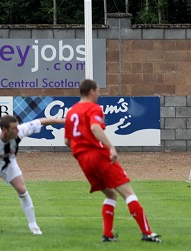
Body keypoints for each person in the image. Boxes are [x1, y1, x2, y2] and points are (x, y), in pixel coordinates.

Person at [64, 79, 162, 243]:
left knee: (110, 193)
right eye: (98, 91)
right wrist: (111, 147)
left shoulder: (71, 112)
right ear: (91, 92)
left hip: (83, 160)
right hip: (98, 155)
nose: (99, 95)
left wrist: (82, 151)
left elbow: (67, 141)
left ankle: (107, 235)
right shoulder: (94, 108)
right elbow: (95, 128)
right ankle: (147, 233)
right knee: (128, 193)